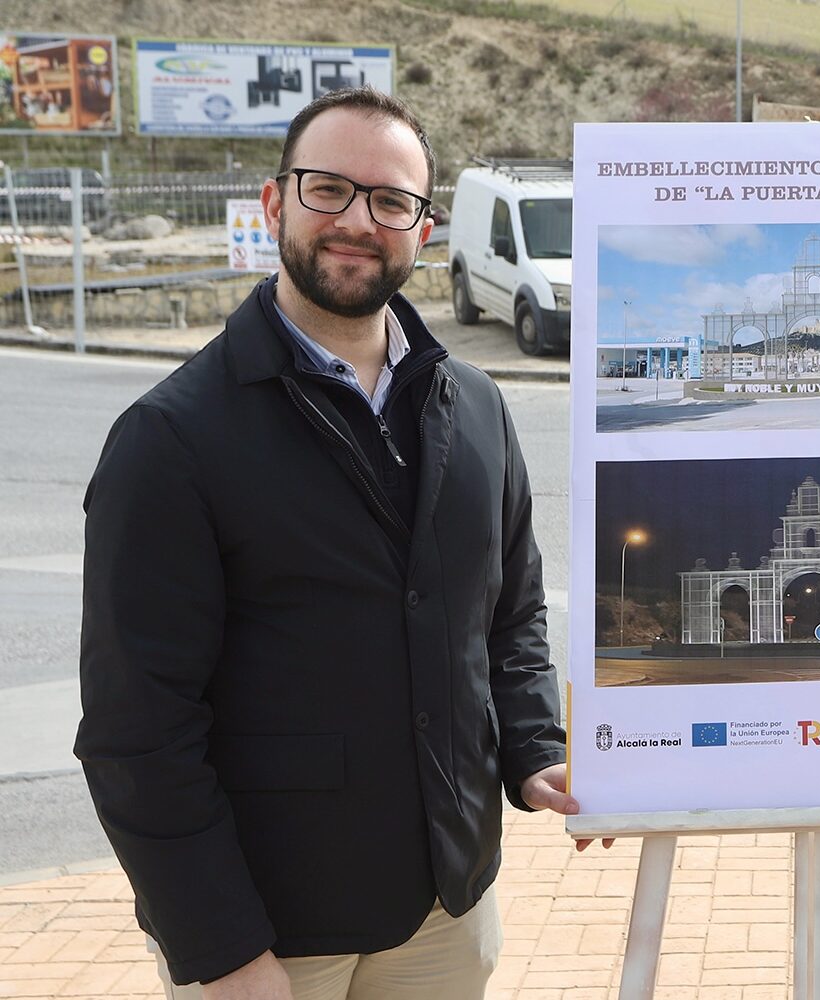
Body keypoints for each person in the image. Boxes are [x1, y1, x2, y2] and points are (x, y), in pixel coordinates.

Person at [76, 88, 589, 1000]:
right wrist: (221, 951)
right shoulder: (172, 439)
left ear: (422, 229)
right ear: (276, 204)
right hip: (274, 934)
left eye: (390, 201)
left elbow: (508, 618)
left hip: (446, 911)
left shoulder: (475, 406)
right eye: (328, 189)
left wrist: (537, 747)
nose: (358, 220)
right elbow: (137, 733)